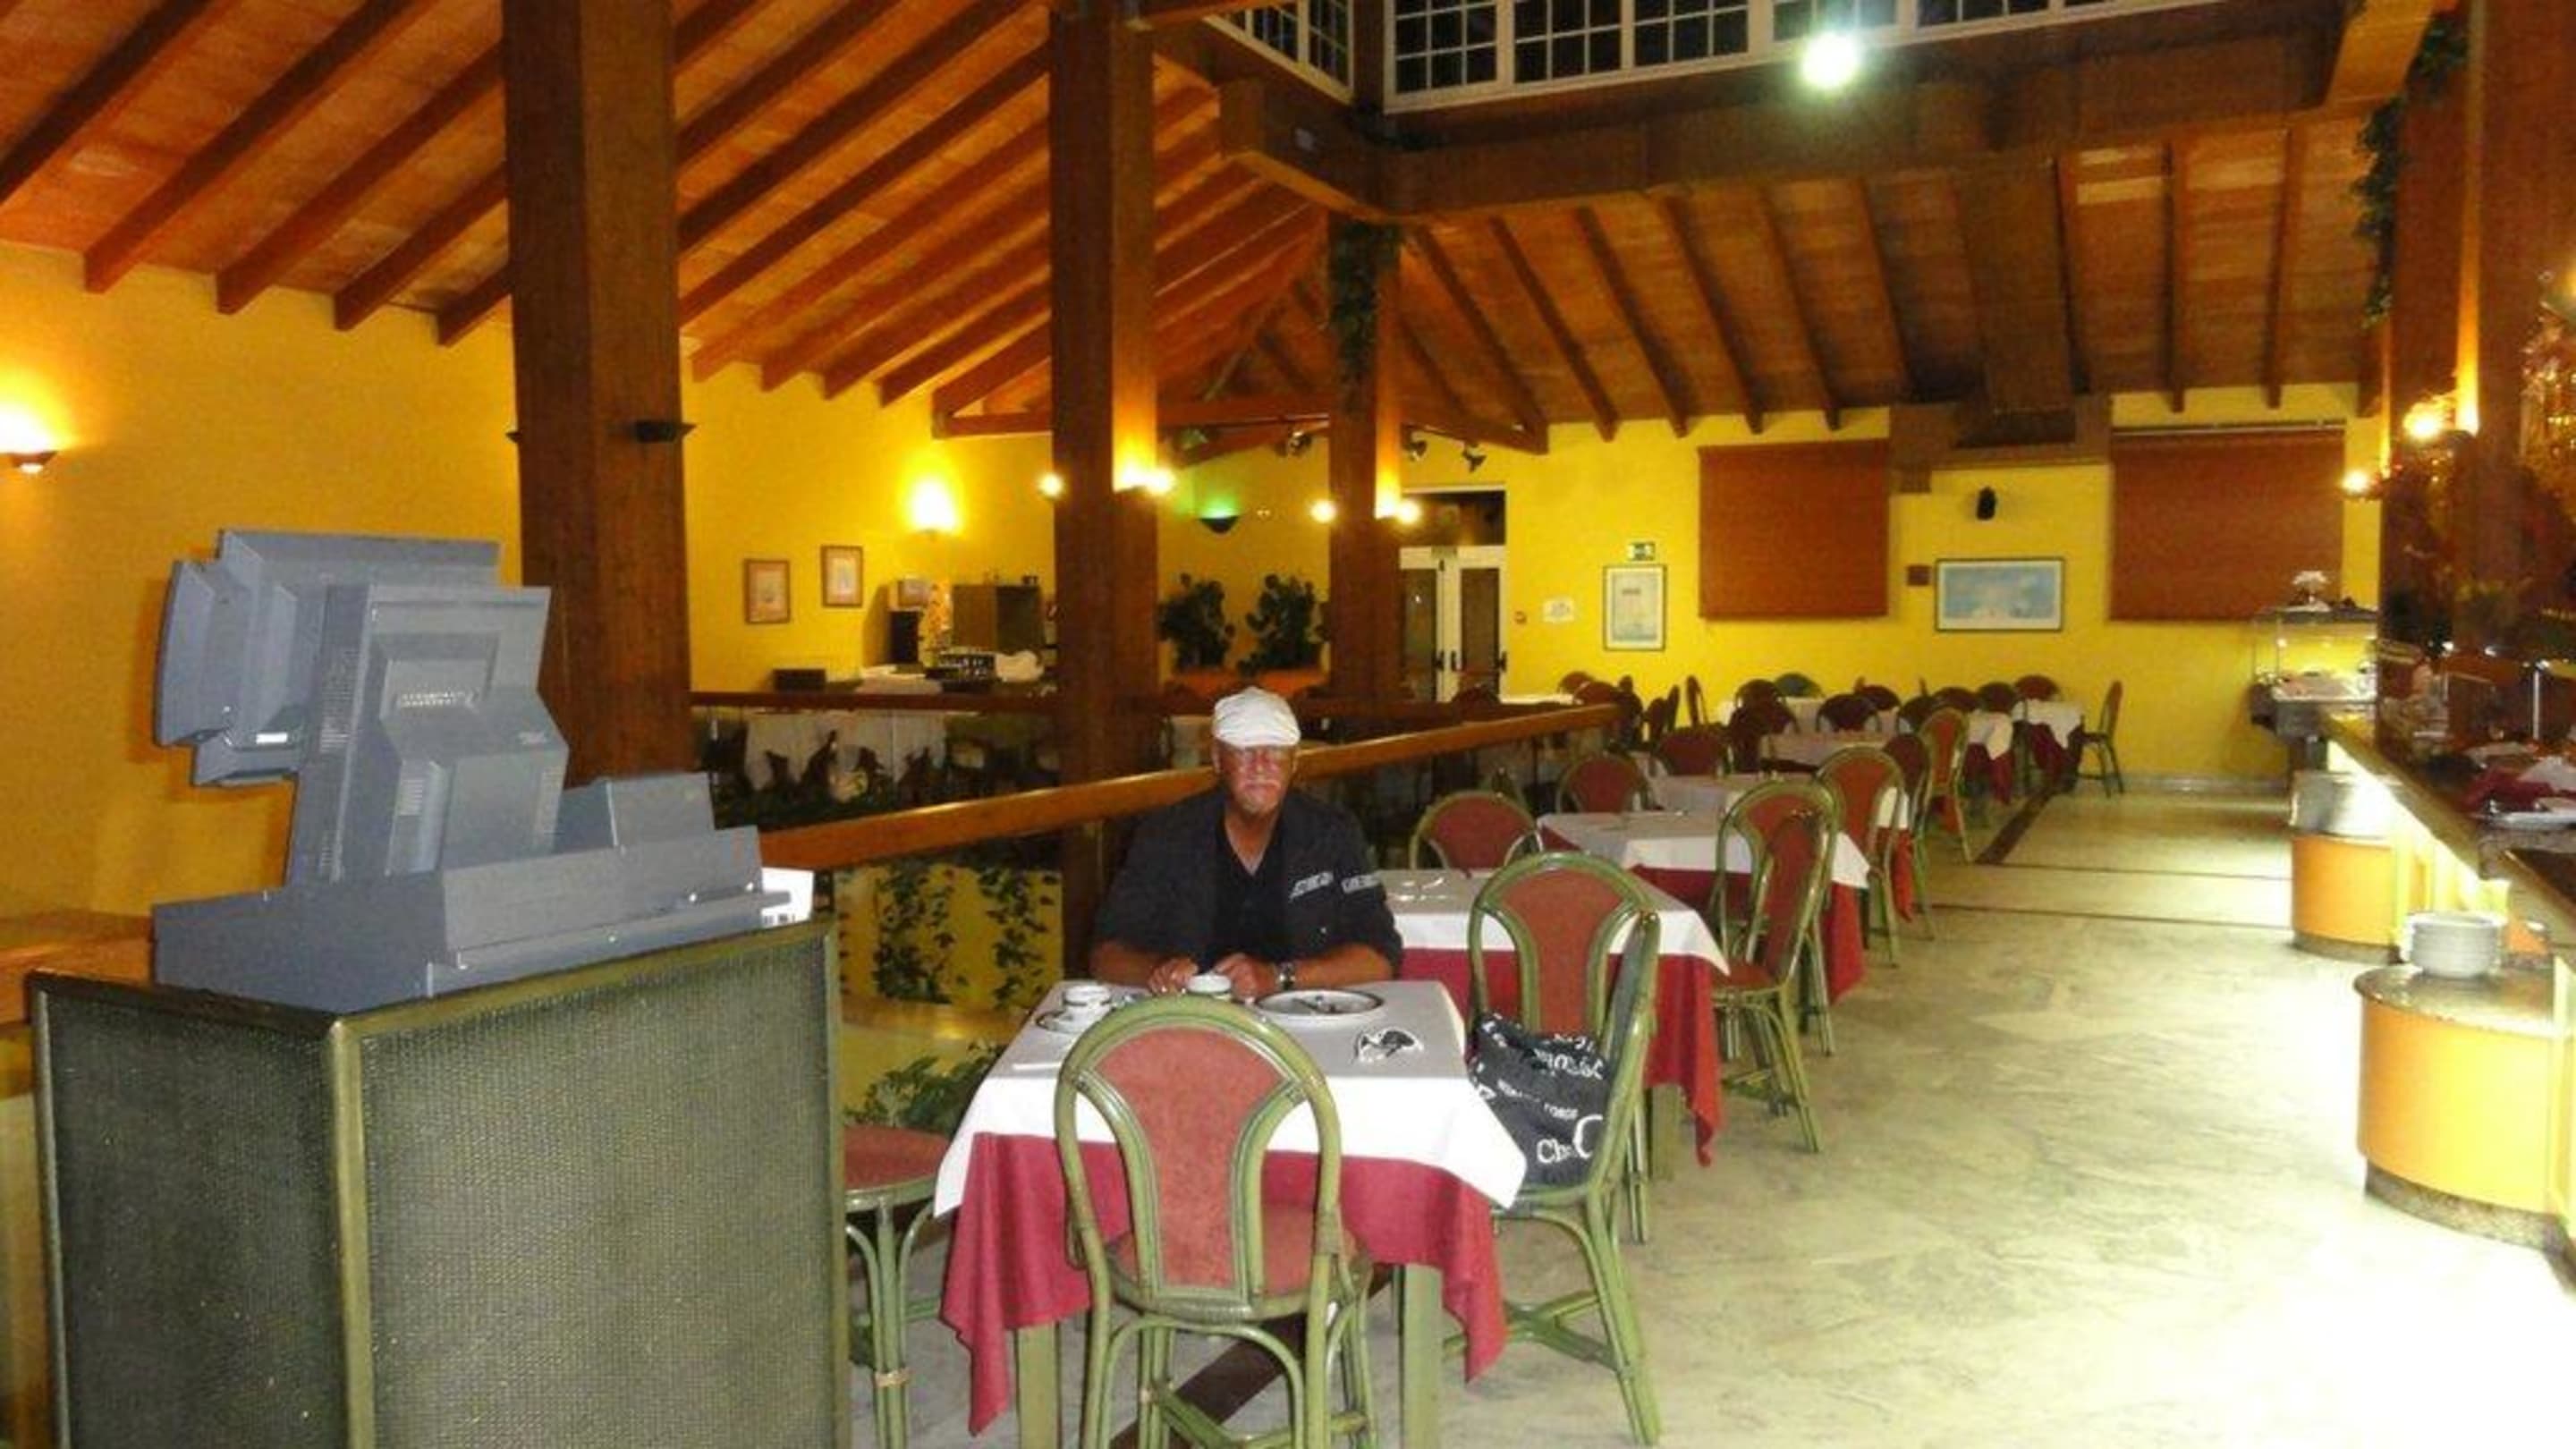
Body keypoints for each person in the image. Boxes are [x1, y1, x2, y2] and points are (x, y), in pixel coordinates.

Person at [1090, 686, 1402, 999]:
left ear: (1294, 762)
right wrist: (1158, 971)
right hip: (1194, 1016)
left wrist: (1279, 977)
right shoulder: (1166, 834)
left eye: (1276, 751)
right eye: (1244, 751)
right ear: (1217, 758)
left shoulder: (1331, 832)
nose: (1261, 765)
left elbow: (1380, 956)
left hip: (1305, 1013)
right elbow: (1106, 955)